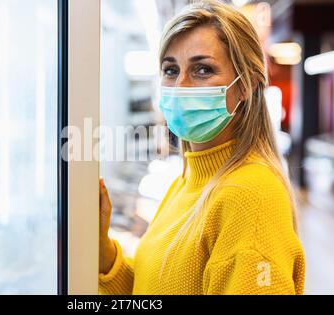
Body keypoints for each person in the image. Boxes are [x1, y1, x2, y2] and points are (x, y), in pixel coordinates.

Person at [99, 0, 305, 295]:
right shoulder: (188, 180)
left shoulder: (250, 197)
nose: (180, 85)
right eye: (171, 70)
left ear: (245, 83)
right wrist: (103, 252)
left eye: (202, 69)